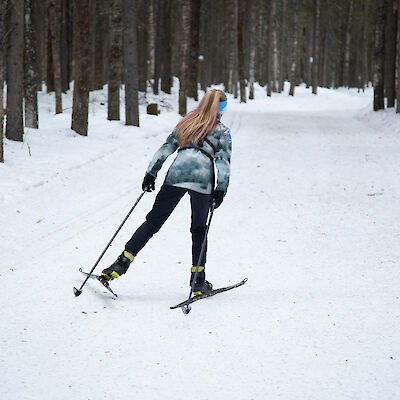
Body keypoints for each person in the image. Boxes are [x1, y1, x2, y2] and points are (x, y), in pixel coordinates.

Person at [99, 89, 232, 295]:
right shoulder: (222, 132)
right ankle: (198, 280)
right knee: (199, 229)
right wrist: (221, 189)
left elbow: (166, 148)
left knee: (153, 222)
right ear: (221, 109)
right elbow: (223, 162)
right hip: (203, 179)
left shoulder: (186, 122)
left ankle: (119, 265)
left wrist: (151, 173)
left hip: (177, 173)